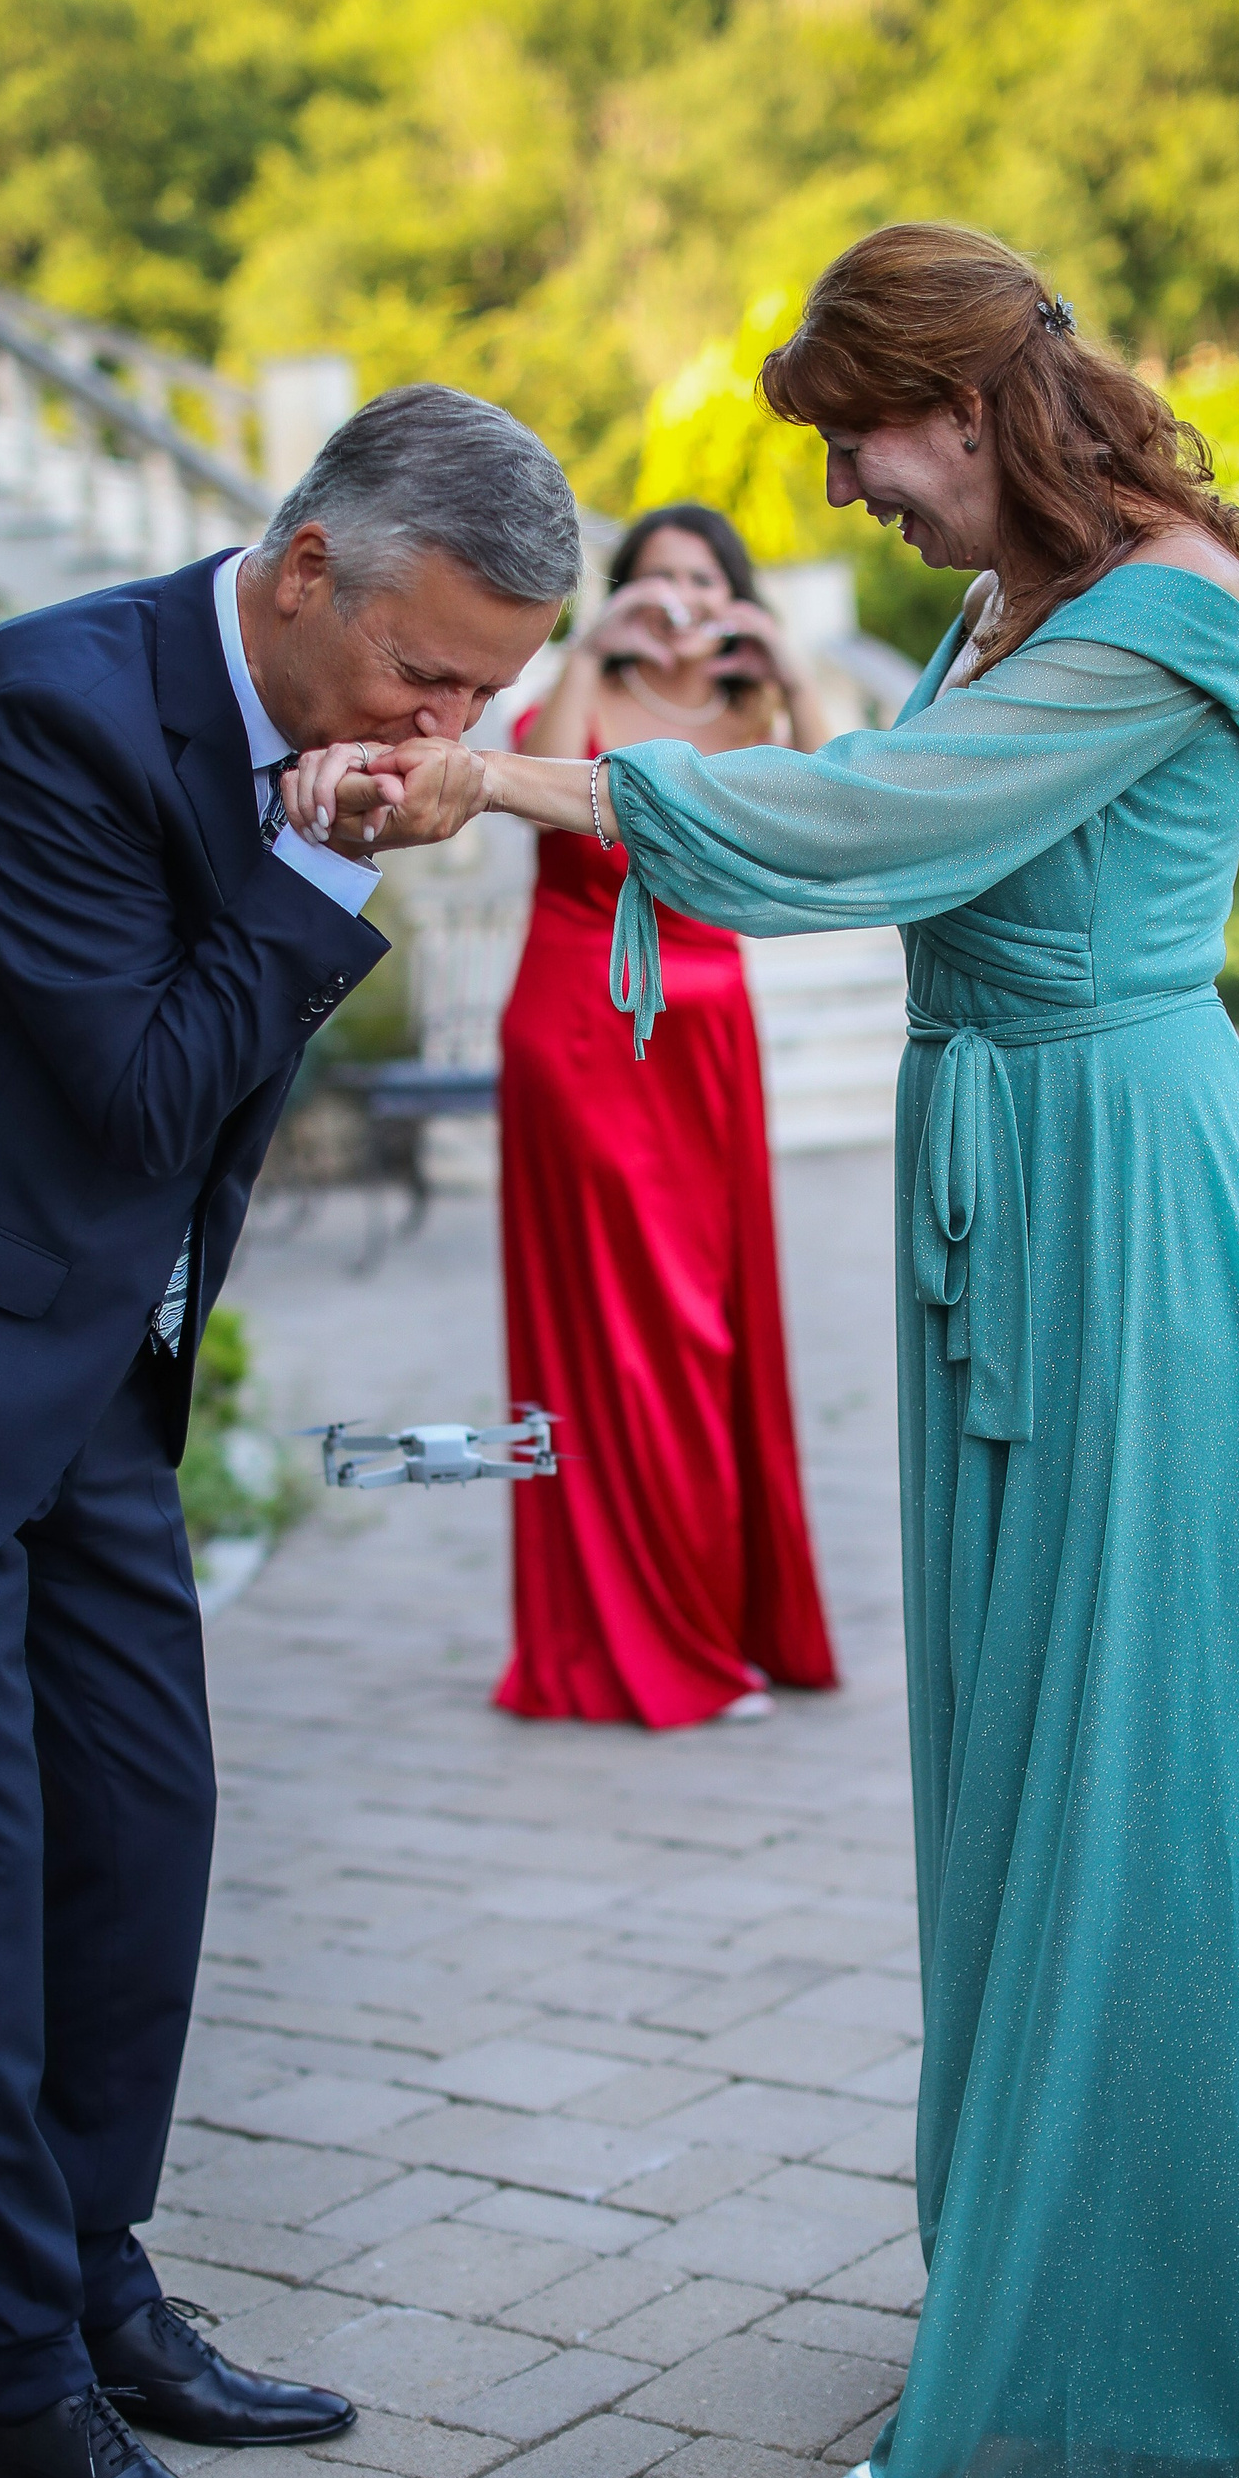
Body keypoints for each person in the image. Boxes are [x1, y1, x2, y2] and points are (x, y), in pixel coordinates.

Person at [286, 228, 1239, 2478]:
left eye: (857, 439)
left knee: (1160, 1736)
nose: (842, 490)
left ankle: (1210, 2321)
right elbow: (873, 795)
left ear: (962, 403)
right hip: (1015, 1188)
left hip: (1130, 1208)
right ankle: (1073, 2276)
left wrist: (517, 788)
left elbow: (868, 831)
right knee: (1030, 1745)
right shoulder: (1014, 601)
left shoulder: (1164, 611)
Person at [0, 386, 576, 2478]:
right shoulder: (47, 716)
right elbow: (146, 1088)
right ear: (304, 571)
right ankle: (15, 2398)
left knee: (144, 1834)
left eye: (485, 695)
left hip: (85, 1361)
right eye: (426, 674)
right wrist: (325, 862)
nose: (449, 730)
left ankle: (97, 2285)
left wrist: (328, 824)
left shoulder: (313, 708)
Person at [495, 503, 838, 1726]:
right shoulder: (582, 692)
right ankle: (639, 1639)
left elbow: (846, 811)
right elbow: (547, 797)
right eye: (655, 580)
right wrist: (591, 645)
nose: (680, 601)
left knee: (713, 1332)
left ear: (734, 596)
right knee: (627, 1337)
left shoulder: (753, 716)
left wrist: (788, 666)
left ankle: (723, 1617)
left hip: (707, 1048)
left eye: (703, 580)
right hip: (581, 1029)